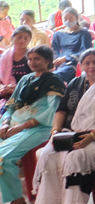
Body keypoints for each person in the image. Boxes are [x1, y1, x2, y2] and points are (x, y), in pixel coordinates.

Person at [33, 50, 95, 204]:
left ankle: (73, 201)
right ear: (81, 65)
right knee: (48, 155)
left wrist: (92, 136)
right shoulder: (75, 83)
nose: (92, 66)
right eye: (87, 63)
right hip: (68, 133)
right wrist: (55, 132)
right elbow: (61, 110)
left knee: (75, 158)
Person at [0, 46, 64, 204]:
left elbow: (52, 112)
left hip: (39, 128)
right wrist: (5, 123)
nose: (32, 62)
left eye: (37, 59)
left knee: (3, 158)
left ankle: (17, 200)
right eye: (30, 59)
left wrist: (22, 126)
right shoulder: (25, 79)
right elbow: (11, 105)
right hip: (13, 124)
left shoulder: (53, 81)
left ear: (47, 60)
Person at [51, 7, 93, 82]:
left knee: (55, 77)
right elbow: (53, 50)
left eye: (71, 18)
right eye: (65, 19)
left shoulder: (83, 33)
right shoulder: (58, 34)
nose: (68, 21)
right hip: (59, 64)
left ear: (77, 18)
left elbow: (85, 52)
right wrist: (54, 61)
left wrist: (66, 58)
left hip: (74, 64)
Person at [0, 27, 34, 106]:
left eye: (26, 38)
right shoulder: (4, 57)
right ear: (12, 38)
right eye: (19, 37)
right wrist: (3, 87)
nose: (22, 41)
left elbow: (36, 80)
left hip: (26, 92)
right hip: (5, 91)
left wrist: (13, 90)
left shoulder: (32, 57)